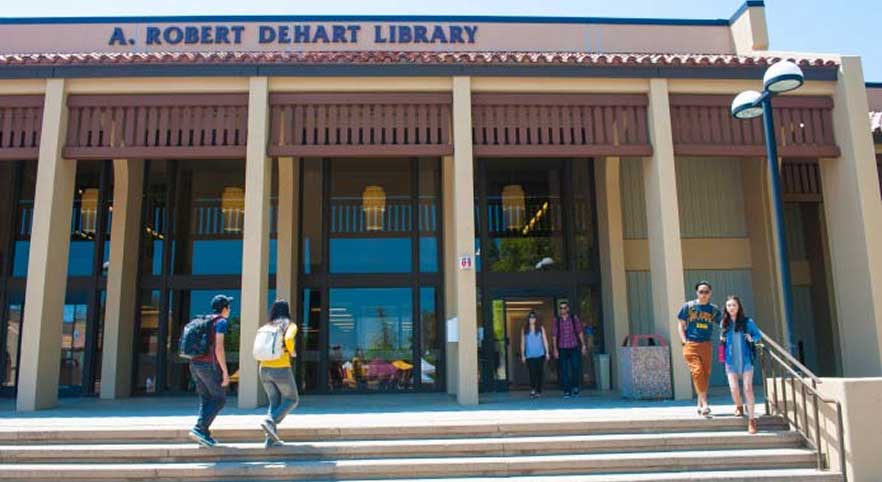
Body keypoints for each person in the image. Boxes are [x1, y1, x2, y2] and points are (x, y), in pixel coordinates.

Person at [189, 294, 232, 447]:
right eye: (229, 306)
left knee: (206, 398)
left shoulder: (204, 320)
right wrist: (225, 372)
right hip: (210, 365)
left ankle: (204, 435)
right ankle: (199, 428)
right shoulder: (220, 322)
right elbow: (219, 348)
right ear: (225, 308)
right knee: (219, 399)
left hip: (194, 364)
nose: (230, 310)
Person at [676, 281, 722, 417]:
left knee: (704, 374)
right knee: (697, 372)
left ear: (710, 294)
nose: (703, 294)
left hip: (706, 344)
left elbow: (722, 323)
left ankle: (700, 404)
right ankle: (706, 404)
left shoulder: (713, 309)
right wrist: (684, 341)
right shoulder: (689, 307)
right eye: (701, 292)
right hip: (691, 343)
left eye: (706, 292)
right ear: (697, 293)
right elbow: (681, 325)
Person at [258, 299, 299, 448]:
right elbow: (288, 338)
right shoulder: (290, 324)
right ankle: (270, 421)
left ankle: (270, 439)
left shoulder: (267, 326)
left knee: (274, 402)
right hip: (280, 367)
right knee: (292, 399)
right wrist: (292, 351)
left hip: (263, 369)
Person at [720, 295, 762, 434]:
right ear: (726, 308)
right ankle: (739, 406)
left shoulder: (747, 322)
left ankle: (751, 420)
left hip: (746, 359)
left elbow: (757, 335)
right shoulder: (724, 323)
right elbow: (722, 341)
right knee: (734, 389)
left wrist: (752, 338)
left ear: (739, 307)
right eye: (729, 305)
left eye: (734, 305)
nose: (731, 308)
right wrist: (722, 351)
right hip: (730, 360)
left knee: (748, 389)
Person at [552, 301, 587, 398]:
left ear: (568, 309)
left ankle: (575, 387)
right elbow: (554, 336)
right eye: (561, 308)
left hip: (573, 346)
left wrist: (583, 345)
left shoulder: (573, 318)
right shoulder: (557, 320)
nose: (562, 310)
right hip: (562, 347)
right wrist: (555, 349)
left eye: (564, 308)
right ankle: (567, 391)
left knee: (575, 368)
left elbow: (579, 331)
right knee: (564, 370)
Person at [520, 311, 551, 398]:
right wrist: (523, 355)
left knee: (539, 372)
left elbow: (545, 340)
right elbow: (523, 342)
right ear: (528, 319)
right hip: (530, 355)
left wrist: (547, 352)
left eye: (533, 317)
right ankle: (533, 389)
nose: (532, 319)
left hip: (540, 354)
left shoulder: (540, 328)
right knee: (532, 372)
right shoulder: (525, 329)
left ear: (536, 319)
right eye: (530, 317)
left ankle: (539, 390)